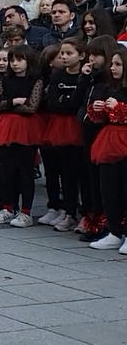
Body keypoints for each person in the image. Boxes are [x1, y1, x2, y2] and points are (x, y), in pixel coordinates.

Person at [0, 44, 44, 227]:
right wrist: (13, 101)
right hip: (6, 126)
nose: (15, 64)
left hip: (26, 127)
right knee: (6, 170)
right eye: (12, 60)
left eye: (19, 60)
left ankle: (26, 211)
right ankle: (8, 207)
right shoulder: (4, 80)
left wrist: (9, 104)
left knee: (25, 170)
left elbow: (31, 107)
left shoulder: (35, 81)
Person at [38, 38, 87, 231]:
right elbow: (53, 103)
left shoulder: (84, 77)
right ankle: (69, 212)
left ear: (82, 56)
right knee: (66, 172)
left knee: (83, 173)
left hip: (78, 127)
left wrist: (67, 101)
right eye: (63, 54)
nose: (65, 57)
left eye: (69, 54)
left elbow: (77, 103)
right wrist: (66, 102)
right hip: (61, 127)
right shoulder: (58, 76)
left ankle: (87, 213)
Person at [87, 47, 127, 253]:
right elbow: (99, 116)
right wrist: (98, 109)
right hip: (109, 140)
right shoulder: (109, 87)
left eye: (118, 64)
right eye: (112, 64)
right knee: (108, 189)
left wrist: (120, 108)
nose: (113, 68)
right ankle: (114, 230)